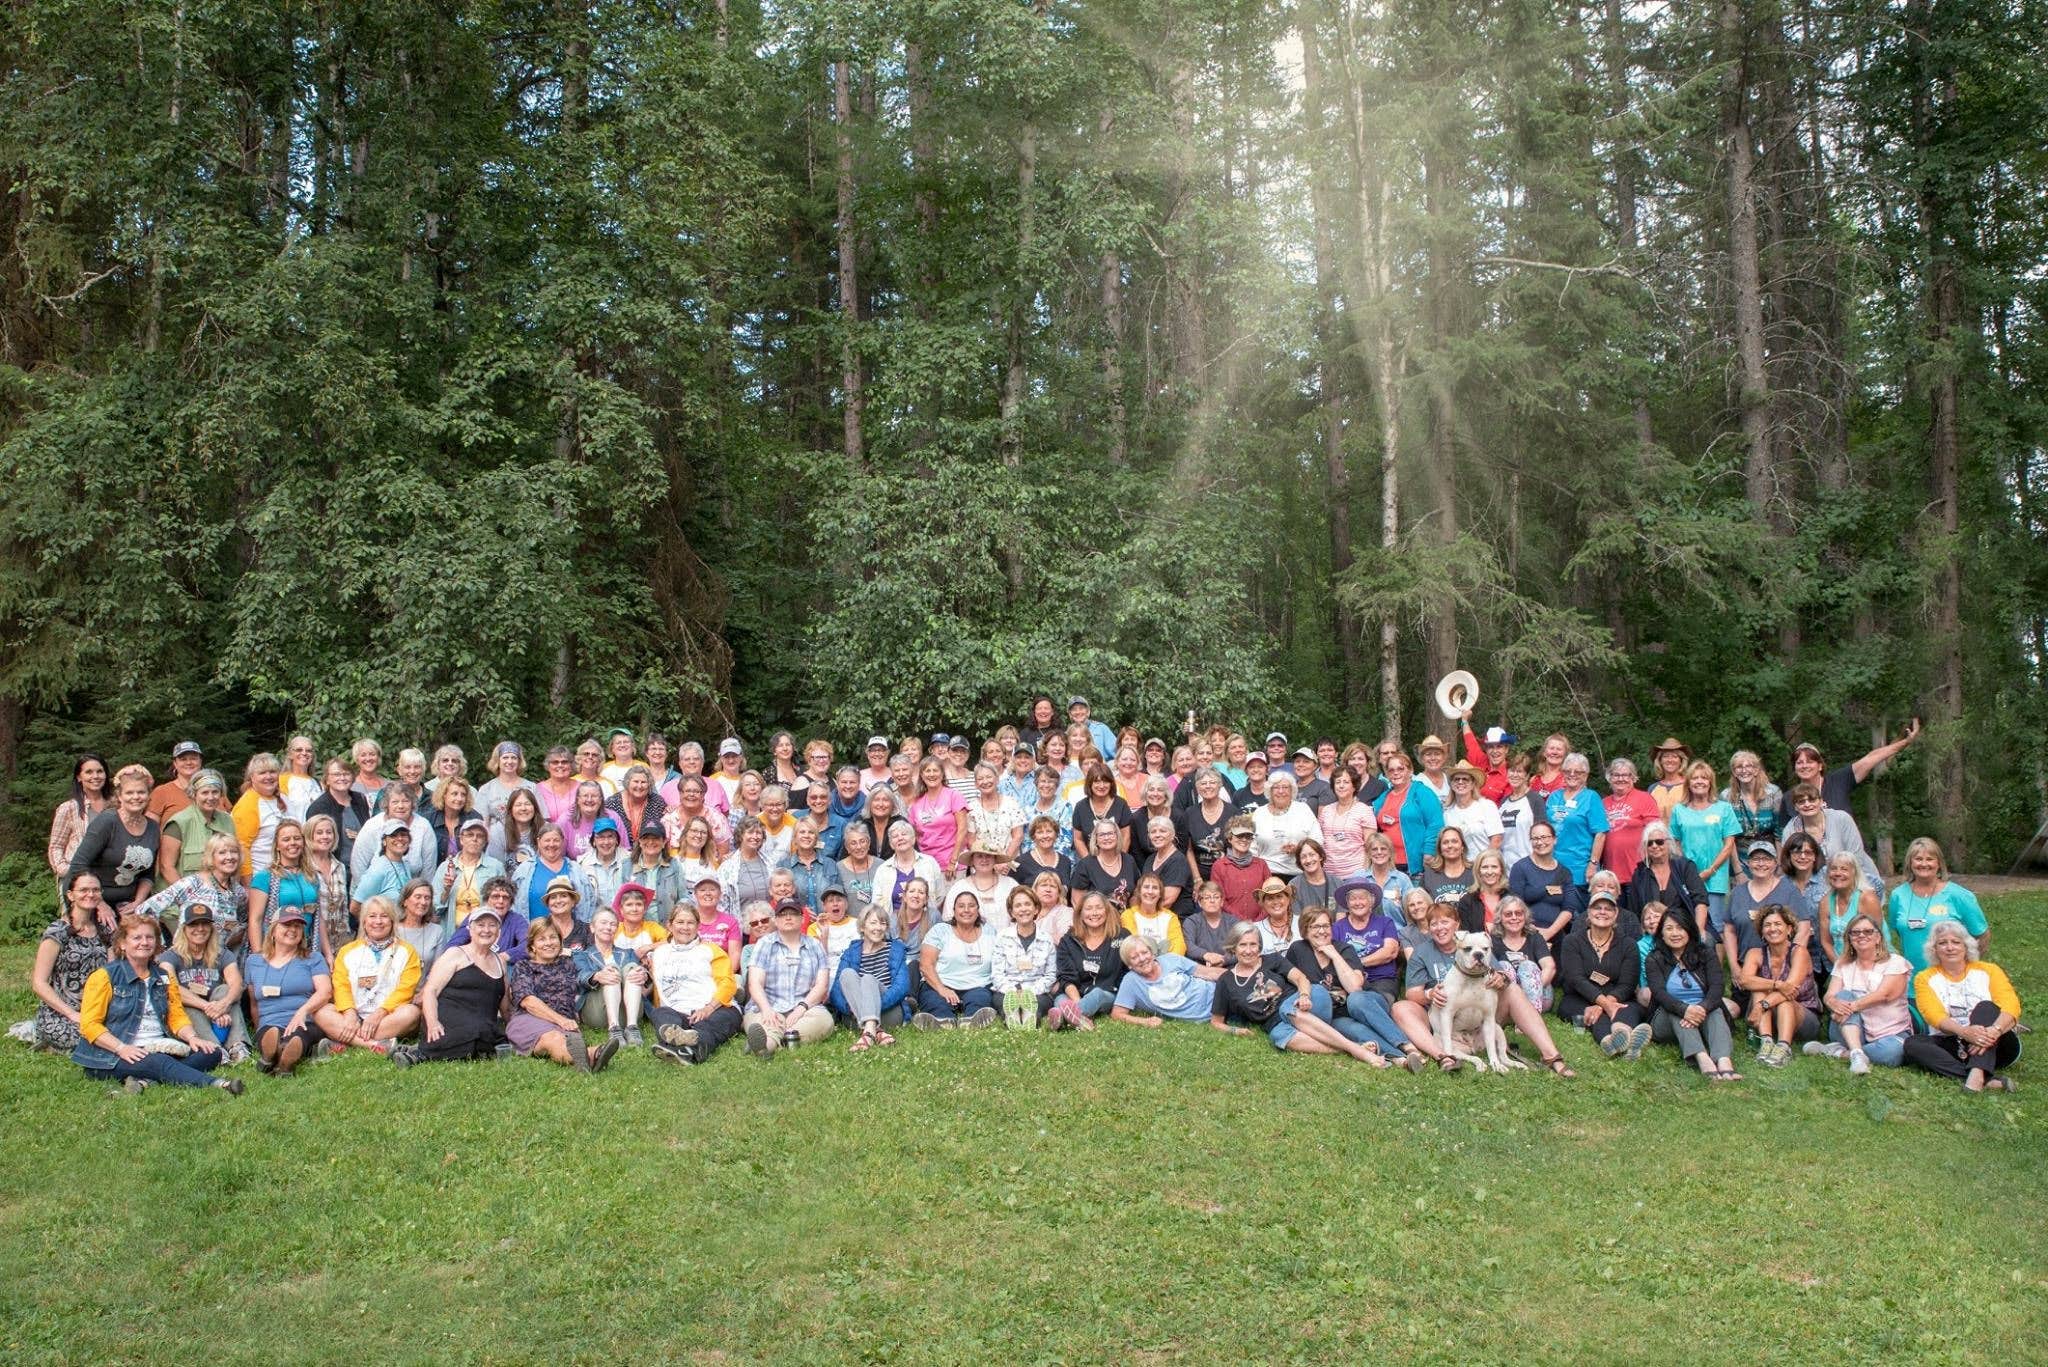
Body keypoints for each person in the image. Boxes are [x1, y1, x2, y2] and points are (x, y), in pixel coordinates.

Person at [72, 914, 240, 1093]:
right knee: (159, 1061)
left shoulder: (163, 976)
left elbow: (176, 1016)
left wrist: (192, 1038)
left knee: (211, 1052)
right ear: (122, 943)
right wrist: (121, 1048)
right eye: (136, 937)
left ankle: (145, 1083)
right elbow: (89, 1025)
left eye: (149, 937)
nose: (144, 942)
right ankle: (220, 1085)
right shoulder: (104, 977)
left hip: (158, 1047)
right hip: (112, 1054)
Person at [1210, 920, 1392, 1064]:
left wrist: (1304, 995)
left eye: (1253, 945)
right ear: (1233, 948)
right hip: (1275, 1023)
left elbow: (1301, 979)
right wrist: (1235, 1031)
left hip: (1305, 1002)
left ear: (1259, 946)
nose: (1249, 950)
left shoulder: (1272, 960)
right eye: (1243, 945)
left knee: (1288, 1010)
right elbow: (1216, 1022)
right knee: (1278, 1036)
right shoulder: (1226, 981)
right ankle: (1350, 1048)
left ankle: (1359, 1052)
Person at [1283, 906, 1420, 1068]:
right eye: (1315, 926)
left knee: (1355, 999)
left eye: (1326, 926)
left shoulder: (1344, 948)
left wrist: (1333, 954)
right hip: (1337, 1015)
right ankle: (1401, 1060)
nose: (1322, 931)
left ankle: (1407, 1046)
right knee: (1357, 1031)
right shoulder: (1298, 949)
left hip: (1367, 1002)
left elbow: (1354, 987)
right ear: (1305, 930)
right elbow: (1293, 981)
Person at [1904, 921, 2021, 1093]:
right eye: (1942, 943)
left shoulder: (1989, 970)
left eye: (1956, 942)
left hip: (1995, 1043)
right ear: (1934, 949)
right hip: (1954, 1041)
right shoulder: (1924, 978)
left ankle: (1976, 1074)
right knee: (1913, 1043)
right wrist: (1965, 1032)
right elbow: (1934, 1016)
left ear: (1966, 947)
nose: (1949, 948)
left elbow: (2011, 1005)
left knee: (1986, 1007)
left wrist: (1993, 1032)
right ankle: (1982, 1079)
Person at [393, 905, 509, 1066]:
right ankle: (418, 1056)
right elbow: (430, 991)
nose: (486, 930)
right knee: (471, 1033)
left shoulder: (500, 961)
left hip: (483, 1022)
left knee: (486, 1038)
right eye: (480, 925)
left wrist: (511, 1026)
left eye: (492, 925)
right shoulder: (454, 954)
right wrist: (433, 1022)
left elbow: (504, 1002)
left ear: (498, 931)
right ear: (470, 929)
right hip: (450, 1016)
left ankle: (413, 1049)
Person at [1642, 900, 1742, 1080]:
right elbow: (1659, 994)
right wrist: (1685, 1009)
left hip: (1703, 1013)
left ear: (1689, 930)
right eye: (1669, 928)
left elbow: (1717, 987)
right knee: (1676, 1011)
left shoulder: (1705, 953)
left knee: (1716, 1009)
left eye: (1680, 928)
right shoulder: (1654, 958)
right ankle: (1702, 1057)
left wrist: (1701, 1008)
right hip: (1666, 1019)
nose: (1675, 933)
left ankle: (1724, 1060)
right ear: (1661, 933)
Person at [501, 918, 616, 1072]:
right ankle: (593, 1053)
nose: (548, 943)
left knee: (564, 1039)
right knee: (553, 1038)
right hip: (529, 1019)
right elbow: (527, 1001)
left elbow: (590, 972)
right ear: (532, 946)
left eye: (553, 937)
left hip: (564, 1023)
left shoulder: (569, 964)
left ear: (560, 941)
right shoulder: (523, 966)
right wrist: (562, 1020)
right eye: (541, 939)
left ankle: (585, 1059)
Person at [641, 901, 744, 1066]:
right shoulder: (659, 954)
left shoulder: (710, 950)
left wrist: (709, 1008)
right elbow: (653, 985)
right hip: (678, 1012)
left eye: (690, 923)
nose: (685, 927)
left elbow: (728, 982)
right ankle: (677, 1038)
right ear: (670, 925)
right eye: (680, 922)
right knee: (661, 1014)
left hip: (715, 1009)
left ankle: (687, 1049)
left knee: (710, 1025)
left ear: (698, 926)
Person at [1807, 913, 1914, 1072]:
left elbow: (1884, 995)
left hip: (1889, 1034)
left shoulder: (1895, 962)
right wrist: (1832, 1003)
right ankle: (1857, 1053)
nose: (1861, 936)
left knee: (1893, 1053)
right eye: (1855, 933)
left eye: (1868, 932)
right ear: (1849, 938)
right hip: (1850, 1029)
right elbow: (1829, 995)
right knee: (1843, 995)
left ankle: (1840, 1052)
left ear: (1878, 937)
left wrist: (1850, 1007)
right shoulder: (1843, 964)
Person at [317, 896, 424, 1054]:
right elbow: (341, 986)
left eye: (384, 916)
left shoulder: (407, 951)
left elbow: (405, 990)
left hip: (387, 1017)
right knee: (322, 1012)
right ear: (364, 922)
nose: (378, 921)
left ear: (392, 921)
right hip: (352, 1016)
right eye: (372, 916)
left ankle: (346, 1041)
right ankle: (376, 1045)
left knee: (411, 1013)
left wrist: (379, 1014)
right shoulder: (347, 951)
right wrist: (350, 1014)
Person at [1556, 890, 1649, 1059]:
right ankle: (1610, 1040)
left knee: (1629, 1008)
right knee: (1589, 1010)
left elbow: (1627, 984)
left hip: (1617, 998)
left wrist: (1604, 1004)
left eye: (1608, 908)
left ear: (1616, 914)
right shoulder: (1572, 941)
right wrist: (1604, 1004)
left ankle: (1622, 1033)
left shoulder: (1628, 944)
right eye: (1597, 907)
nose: (1602, 912)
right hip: (1579, 997)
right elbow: (1575, 979)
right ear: (1589, 912)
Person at [243, 908, 332, 1076]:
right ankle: (275, 1052)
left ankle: (280, 1058)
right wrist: (257, 1027)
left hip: (305, 1021)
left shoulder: (313, 958)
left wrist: (303, 1011)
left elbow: (325, 992)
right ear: (273, 930)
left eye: (298, 926)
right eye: (287, 924)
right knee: (270, 1032)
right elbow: (254, 1003)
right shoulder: (254, 962)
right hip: (270, 1022)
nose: (293, 930)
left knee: (298, 1036)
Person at [67, 764, 159, 927]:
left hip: (130, 900)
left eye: (141, 792)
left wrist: (138, 902)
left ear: (148, 795)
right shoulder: (107, 822)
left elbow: (148, 873)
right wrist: (100, 905)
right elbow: (78, 865)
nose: (136, 797)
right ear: (120, 796)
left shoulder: (153, 827)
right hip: (93, 897)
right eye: (130, 793)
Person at [31, 874, 111, 1053]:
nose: (90, 894)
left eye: (95, 890)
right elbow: (39, 983)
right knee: (92, 1042)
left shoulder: (105, 931)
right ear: (70, 895)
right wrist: (72, 1014)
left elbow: (113, 975)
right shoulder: (57, 931)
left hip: (97, 1010)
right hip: (62, 1013)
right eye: (83, 890)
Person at [1779, 722, 1921, 822]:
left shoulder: (1839, 780)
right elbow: (1783, 838)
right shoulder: (1788, 798)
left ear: (1820, 765)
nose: (1804, 766)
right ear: (1795, 767)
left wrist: (1905, 742)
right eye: (1799, 762)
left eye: (1809, 761)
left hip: (1847, 858)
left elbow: (1871, 758)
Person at [744, 898, 834, 1054]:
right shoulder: (764, 944)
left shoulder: (815, 945)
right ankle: (775, 1043)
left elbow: (822, 985)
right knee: (763, 1022)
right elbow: (755, 983)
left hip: (805, 1009)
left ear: (802, 918)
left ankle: (768, 1041)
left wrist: (801, 1009)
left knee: (825, 1022)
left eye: (793, 913)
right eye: (782, 914)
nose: (788, 917)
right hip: (767, 1007)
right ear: (776, 921)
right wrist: (767, 1010)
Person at [1886, 837, 1989, 972]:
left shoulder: (1958, 895)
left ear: (1939, 863)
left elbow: (1982, 934)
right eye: (1918, 859)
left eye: (1929, 859)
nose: (1924, 864)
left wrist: (1969, 967)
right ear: (1910, 863)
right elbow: (1900, 932)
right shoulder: (1898, 895)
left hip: (1950, 978)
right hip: (1910, 977)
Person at [1735, 905, 1819, 1065]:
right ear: (1762, 931)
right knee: (1759, 990)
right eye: (1767, 925)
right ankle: (1766, 1042)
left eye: (1778, 924)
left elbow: (1791, 987)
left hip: (1803, 1017)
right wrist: (1776, 984)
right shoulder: (1755, 953)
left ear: (1789, 929)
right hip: (1768, 1017)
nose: (1772, 929)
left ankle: (1784, 1047)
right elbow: (1745, 980)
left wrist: (1761, 1006)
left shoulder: (1799, 952)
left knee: (1785, 999)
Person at [1718, 840, 1817, 973]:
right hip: (1745, 966)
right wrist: (1734, 966)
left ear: (1776, 863)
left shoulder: (1790, 892)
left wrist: (1792, 960)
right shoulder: (1738, 893)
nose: (1761, 864)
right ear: (1748, 863)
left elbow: (1804, 929)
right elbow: (1729, 931)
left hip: (1781, 967)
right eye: (1756, 859)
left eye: (1766, 859)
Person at [136, 832, 248, 949]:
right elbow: (145, 909)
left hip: (219, 961)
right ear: (211, 857)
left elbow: (242, 923)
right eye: (222, 852)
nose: (229, 857)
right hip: (185, 959)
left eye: (234, 852)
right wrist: (159, 946)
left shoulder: (238, 891)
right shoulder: (193, 883)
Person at [1667, 760, 1740, 927]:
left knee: (1717, 925)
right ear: (1688, 783)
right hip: (1688, 876)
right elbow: (1675, 843)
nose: (1699, 781)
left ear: (1710, 782)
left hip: (1715, 876)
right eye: (1695, 778)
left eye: (1704, 778)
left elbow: (1729, 844)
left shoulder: (1723, 808)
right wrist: (1689, 871)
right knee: (1689, 923)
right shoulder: (1679, 810)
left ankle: (1715, 955)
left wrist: (1711, 870)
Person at [913, 890, 1000, 1028]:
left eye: (971, 906)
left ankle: (971, 1021)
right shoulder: (940, 931)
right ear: (954, 910)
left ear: (978, 910)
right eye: (961, 906)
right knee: (935, 1002)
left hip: (978, 986)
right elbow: (926, 965)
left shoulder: (990, 932)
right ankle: (943, 1021)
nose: (966, 910)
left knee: (980, 999)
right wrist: (942, 989)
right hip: (940, 984)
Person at [830, 905, 910, 1048]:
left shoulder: (896, 949)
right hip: (855, 1015)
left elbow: (901, 987)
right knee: (846, 974)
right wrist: (851, 1008)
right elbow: (836, 991)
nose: (878, 928)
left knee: (868, 979)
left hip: (888, 1012)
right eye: (873, 923)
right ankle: (875, 1031)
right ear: (862, 927)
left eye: (883, 923)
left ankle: (868, 1032)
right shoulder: (850, 952)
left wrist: (871, 1006)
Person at [1780, 784, 1884, 891]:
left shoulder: (1841, 819)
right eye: (1801, 801)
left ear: (1821, 801)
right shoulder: (1790, 830)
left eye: (1812, 800)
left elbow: (1856, 856)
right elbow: (1788, 862)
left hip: (1856, 877)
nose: (1807, 804)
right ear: (1795, 806)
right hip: (1815, 886)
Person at [1047, 893, 1127, 1030]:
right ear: (1080, 913)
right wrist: (1079, 1003)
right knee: (1061, 1000)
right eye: (1088, 908)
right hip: (1074, 993)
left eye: (1099, 908)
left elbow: (1129, 969)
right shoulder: (1068, 940)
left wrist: (1076, 1008)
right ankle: (1077, 1018)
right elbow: (1066, 978)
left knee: (1097, 994)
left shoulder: (1121, 936)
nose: (1094, 913)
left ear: (1107, 911)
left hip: (1107, 993)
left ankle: (1062, 1016)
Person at [575, 907, 650, 1046]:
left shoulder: (628, 953)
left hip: (628, 1012)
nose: (608, 927)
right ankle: (613, 1028)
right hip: (597, 1012)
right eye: (603, 923)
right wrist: (597, 976)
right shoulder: (582, 955)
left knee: (632, 968)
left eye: (613, 924)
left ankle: (632, 1028)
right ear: (592, 927)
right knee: (612, 969)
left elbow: (640, 973)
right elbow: (580, 976)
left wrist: (643, 975)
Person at [1109, 938, 1222, 1027]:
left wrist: (1238, 976)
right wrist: (1145, 1022)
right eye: (1135, 957)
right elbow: (1117, 1014)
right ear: (1129, 965)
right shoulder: (1131, 981)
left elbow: (1208, 973)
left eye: (1145, 952)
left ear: (1152, 953)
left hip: (1218, 996)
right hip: (1213, 1015)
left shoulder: (1171, 959)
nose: (1142, 958)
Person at [47, 753, 112, 905]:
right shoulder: (69, 808)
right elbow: (56, 846)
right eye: (89, 772)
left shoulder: (116, 807)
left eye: (100, 771)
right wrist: (68, 872)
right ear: (79, 777)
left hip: (109, 879)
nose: (95, 776)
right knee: (78, 925)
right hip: (78, 883)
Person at [1624, 821, 1708, 935]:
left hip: (1685, 928)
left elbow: (1700, 901)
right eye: (1649, 843)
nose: (1654, 846)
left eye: (1659, 842)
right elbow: (1633, 911)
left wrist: (1699, 931)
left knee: (1707, 941)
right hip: (1652, 932)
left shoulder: (1685, 867)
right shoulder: (1639, 873)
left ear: (1668, 843)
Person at [991, 888, 1058, 1027]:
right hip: (1007, 991)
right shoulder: (1002, 937)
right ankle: (1012, 1017)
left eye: (1027, 904)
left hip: (1037, 991)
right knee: (1003, 1003)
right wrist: (1014, 992)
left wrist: (1029, 992)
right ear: (1011, 912)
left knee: (1038, 1004)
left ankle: (1031, 1018)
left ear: (1035, 909)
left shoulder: (1046, 939)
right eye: (1018, 905)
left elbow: (1050, 975)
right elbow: (997, 974)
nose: (1023, 909)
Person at [156, 769, 236, 884]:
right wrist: (190, 897)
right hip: (181, 894)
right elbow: (166, 867)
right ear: (194, 794)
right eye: (205, 793)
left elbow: (235, 861)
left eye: (215, 792)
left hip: (219, 892)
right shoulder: (179, 823)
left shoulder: (228, 821)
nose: (211, 797)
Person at [1371, 750, 1443, 877]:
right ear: (1387, 774)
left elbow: (1435, 824)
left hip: (1416, 865)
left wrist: (1429, 852)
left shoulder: (1422, 792)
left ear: (1410, 771)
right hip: (1388, 864)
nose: (1396, 773)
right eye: (1391, 770)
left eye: (1400, 768)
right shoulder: (1382, 798)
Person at [1543, 753, 1608, 888]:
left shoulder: (1591, 797)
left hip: (1579, 867)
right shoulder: (1554, 796)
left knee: (1575, 907)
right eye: (1568, 771)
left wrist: (1593, 864)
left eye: (1577, 771)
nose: (1572, 774)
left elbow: (1600, 834)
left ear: (1586, 774)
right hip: (1551, 865)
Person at [434, 812, 505, 930]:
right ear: (461, 839)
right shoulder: (446, 867)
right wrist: (446, 890)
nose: (475, 839)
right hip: (452, 932)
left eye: (480, 836)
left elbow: (504, 904)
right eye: (469, 835)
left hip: (485, 932)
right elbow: (435, 909)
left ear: (485, 841)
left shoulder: (495, 867)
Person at [1508, 821, 1579, 940]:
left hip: (1556, 934)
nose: (1540, 842)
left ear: (1554, 839)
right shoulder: (1520, 868)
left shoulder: (1564, 873)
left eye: (1544, 837)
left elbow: (1569, 908)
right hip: (1525, 934)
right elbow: (1515, 904)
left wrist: (1550, 932)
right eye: (1535, 838)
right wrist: (1534, 933)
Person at [352, 785, 434, 883]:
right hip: (373, 891)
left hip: (412, 891)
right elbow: (358, 866)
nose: (400, 806)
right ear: (387, 805)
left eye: (405, 801)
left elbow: (429, 870)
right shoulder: (372, 826)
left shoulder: (423, 826)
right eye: (395, 802)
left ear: (412, 804)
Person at [1815, 851, 1885, 964]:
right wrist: (1840, 966)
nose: (1838, 873)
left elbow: (1877, 937)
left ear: (1855, 873)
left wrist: (1861, 968)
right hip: (1841, 964)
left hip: (1873, 962)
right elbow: (1826, 942)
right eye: (1833, 869)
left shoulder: (1867, 899)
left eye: (1844, 869)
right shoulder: (1825, 902)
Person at [1489, 896, 1555, 1014]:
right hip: (1507, 995)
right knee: (1502, 966)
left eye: (1518, 913)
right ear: (1500, 918)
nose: (1514, 917)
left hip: (1540, 995)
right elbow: (1492, 972)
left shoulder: (1535, 936)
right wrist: (1517, 994)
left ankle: (1530, 1015)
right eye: (1508, 914)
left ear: (1525, 916)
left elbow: (1550, 967)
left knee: (1527, 966)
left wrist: (1531, 989)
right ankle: (1517, 1011)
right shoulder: (1493, 940)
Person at [1600, 758, 1661, 882]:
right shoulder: (1603, 803)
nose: (1620, 779)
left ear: (1633, 778)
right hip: (1610, 874)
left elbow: (1655, 832)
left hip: (1638, 870)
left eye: (1625, 775)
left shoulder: (1644, 798)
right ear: (1609, 778)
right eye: (1616, 775)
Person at [231, 753, 288, 878]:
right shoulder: (247, 804)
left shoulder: (279, 798)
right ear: (252, 777)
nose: (268, 776)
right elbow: (241, 846)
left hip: (283, 874)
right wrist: (248, 882)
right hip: (260, 877)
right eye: (262, 773)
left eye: (272, 772)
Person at [1207, 815, 1270, 922]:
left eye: (1248, 836)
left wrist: (1258, 921)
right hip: (1230, 925)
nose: (1244, 840)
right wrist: (1242, 921)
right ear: (1229, 838)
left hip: (1261, 924)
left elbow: (1270, 896)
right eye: (1240, 836)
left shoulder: (1261, 865)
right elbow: (1220, 899)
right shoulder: (1219, 866)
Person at [1072, 819, 1136, 912]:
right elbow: (1077, 900)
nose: (1106, 838)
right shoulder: (1086, 864)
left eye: (1110, 833)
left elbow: (1136, 893)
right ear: (1096, 839)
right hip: (1097, 922)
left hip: (1126, 921)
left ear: (1117, 836)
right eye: (1102, 835)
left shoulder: (1129, 860)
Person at [1441, 762, 1504, 855]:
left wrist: (1484, 863)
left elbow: (1496, 840)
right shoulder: (1448, 812)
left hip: (1485, 865)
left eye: (1465, 779)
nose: (1460, 782)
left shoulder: (1487, 806)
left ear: (1473, 783)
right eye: (1456, 779)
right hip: (1460, 866)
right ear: (1451, 784)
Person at [1119, 872, 1185, 956]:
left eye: (1155, 888)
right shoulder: (1128, 915)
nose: (1150, 891)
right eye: (1146, 887)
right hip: (1140, 962)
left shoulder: (1170, 917)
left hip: (1167, 965)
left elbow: (1179, 947)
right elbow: (1133, 944)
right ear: (1139, 892)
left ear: (1160, 894)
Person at [474, 742, 534, 829]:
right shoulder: (486, 789)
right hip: (496, 840)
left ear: (519, 761)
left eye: (514, 758)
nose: (509, 761)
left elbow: (540, 820)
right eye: (505, 757)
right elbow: (481, 824)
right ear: (497, 761)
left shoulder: (531, 787)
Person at [1179, 880, 1237, 969]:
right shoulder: (1191, 922)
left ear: (1222, 902)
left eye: (1216, 897)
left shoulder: (1233, 922)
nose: (1212, 901)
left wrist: (1223, 959)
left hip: (1229, 970)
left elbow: (1241, 948)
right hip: (1199, 970)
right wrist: (1206, 955)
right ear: (1200, 903)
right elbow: (1188, 946)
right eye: (1207, 897)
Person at [1014, 815, 1075, 893]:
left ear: (1056, 835)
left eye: (1049, 831)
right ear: (1033, 836)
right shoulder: (1021, 862)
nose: (1045, 836)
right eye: (1040, 832)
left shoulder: (1065, 862)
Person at [147, 741, 204, 824]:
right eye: (183, 759)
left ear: (200, 761)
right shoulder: (161, 792)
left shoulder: (214, 791)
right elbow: (149, 830)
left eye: (193, 758)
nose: (188, 762)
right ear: (175, 764)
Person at [1454, 850, 1510, 934]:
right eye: (1485, 867)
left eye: (1494, 867)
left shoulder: (1512, 898)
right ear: (1478, 871)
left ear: (1501, 870)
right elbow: (1465, 935)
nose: (1489, 872)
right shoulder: (1467, 902)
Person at [395, 878, 446, 969]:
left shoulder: (436, 931)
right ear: (405, 901)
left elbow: (438, 969)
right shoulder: (392, 930)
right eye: (418, 897)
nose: (423, 902)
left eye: (427, 898)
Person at [1419, 827, 1475, 908]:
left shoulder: (1474, 872)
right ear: (1440, 849)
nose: (1450, 845)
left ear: (1462, 846)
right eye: (1445, 842)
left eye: (1454, 841)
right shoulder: (1429, 875)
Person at [1645, 739, 1690, 819]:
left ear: (1681, 761)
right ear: (1660, 761)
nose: (1670, 760)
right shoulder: (1652, 789)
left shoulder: (1689, 786)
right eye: (1665, 756)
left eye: (1674, 756)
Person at [1252, 877, 1298, 953]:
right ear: (1263, 903)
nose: (1275, 902)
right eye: (1270, 898)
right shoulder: (1255, 929)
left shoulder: (1302, 924)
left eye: (1279, 896)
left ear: (1288, 899)